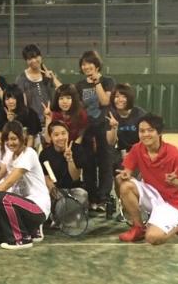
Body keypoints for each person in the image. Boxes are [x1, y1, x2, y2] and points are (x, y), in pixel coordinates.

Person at [115, 114, 178, 244]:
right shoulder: (137, 149)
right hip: (153, 195)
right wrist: (126, 174)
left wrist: (174, 181)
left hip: (174, 203)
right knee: (124, 184)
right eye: (142, 131)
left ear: (159, 132)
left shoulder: (175, 154)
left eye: (150, 130)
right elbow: (127, 171)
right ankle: (138, 228)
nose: (145, 134)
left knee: (153, 238)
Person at [0, 120, 51, 249]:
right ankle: (29, 230)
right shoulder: (9, 155)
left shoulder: (29, 154)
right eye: (7, 140)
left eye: (14, 139)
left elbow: (6, 184)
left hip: (37, 207)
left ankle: (21, 239)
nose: (10, 143)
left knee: (1, 197)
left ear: (22, 137)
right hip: (18, 207)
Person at [75, 50, 116, 212]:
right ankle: (92, 198)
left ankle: (103, 199)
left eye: (89, 63)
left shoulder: (107, 81)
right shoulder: (79, 85)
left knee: (106, 163)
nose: (86, 67)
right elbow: (78, 107)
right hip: (87, 130)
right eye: (83, 64)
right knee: (88, 165)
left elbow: (105, 101)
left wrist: (96, 82)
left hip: (104, 127)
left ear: (97, 65)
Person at [39, 120, 88, 232]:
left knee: (82, 194)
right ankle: (62, 216)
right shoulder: (45, 154)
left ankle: (60, 217)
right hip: (55, 192)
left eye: (63, 133)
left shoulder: (77, 149)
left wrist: (70, 159)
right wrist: (52, 188)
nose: (61, 137)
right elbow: (45, 176)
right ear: (51, 137)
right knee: (45, 197)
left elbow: (75, 177)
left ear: (68, 134)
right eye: (56, 135)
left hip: (73, 190)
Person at [106, 83, 146, 161]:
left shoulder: (140, 114)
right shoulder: (110, 115)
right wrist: (114, 127)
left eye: (124, 97)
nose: (120, 100)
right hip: (120, 153)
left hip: (139, 152)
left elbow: (145, 139)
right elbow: (111, 142)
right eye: (117, 96)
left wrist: (133, 154)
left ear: (129, 98)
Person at [16, 43, 61, 112]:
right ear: (26, 61)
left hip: (51, 116)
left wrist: (53, 78)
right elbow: (20, 103)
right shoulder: (21, 79)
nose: (34, 61)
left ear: (41, 57)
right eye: (30, 58)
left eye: (36, 57)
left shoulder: (50, 75)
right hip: (31, 117)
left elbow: (64, 91)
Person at [2, 84, 42, 148]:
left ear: (19, 98)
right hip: (10, 148)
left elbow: (31, 137)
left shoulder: (30, 113)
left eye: (13, 98)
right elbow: (4, 138)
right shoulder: (3, 114)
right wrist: (10, 122)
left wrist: (26, 153)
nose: (10, 101)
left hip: (30, 147)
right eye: (7, 99)